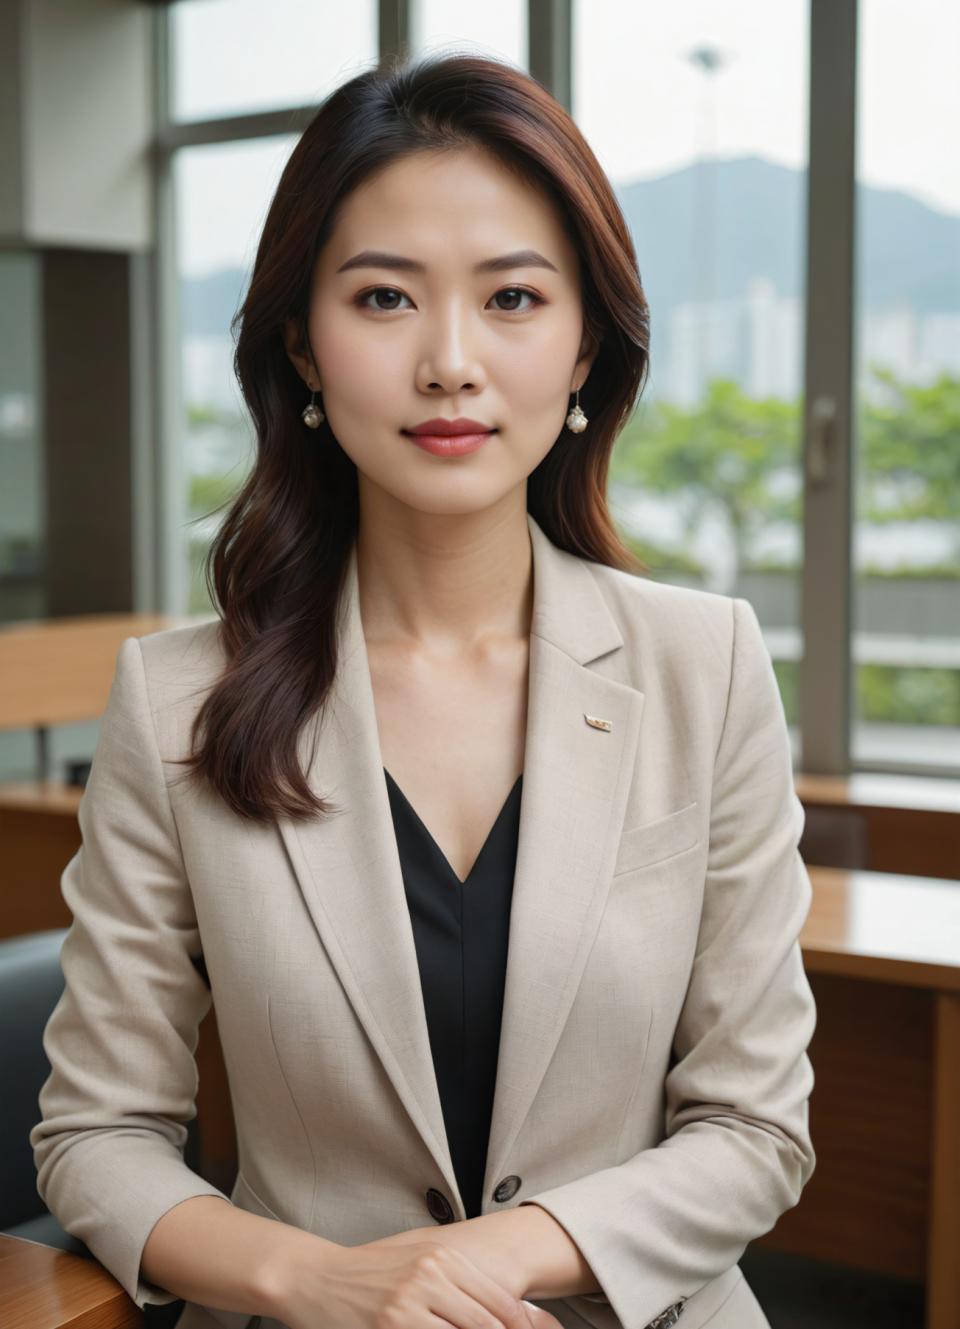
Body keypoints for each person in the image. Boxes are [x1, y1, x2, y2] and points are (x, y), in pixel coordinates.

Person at [30, 50, 816, 1329]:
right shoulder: (176, 698)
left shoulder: (704, 667)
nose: (450, 362)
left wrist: (490, 1266)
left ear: (582, 353)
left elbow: (754, 1125)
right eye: (386, 299)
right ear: (303, 344)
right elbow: (96, 1134)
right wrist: (319, 1278)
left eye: (512, 299)